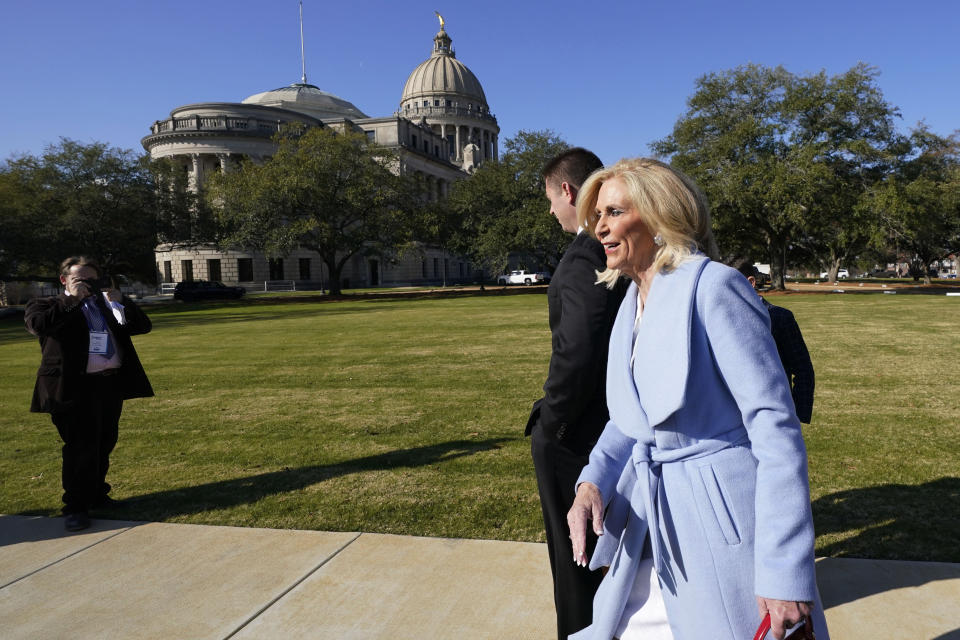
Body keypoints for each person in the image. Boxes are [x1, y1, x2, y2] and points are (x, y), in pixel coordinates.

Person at [566, 158, 829, 640]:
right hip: (652, 527)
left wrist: (783, 568)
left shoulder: (715, 288)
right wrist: (592, 483)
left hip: (723, 531)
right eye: (597, 215)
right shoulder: (631, 302)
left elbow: (775, 428)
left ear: (658, 215)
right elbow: (631, 418)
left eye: (614, 212)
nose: (599, 227)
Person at [526, 147, 626, 639]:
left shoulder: (585, 256)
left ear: (568, 190)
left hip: (578, 433)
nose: (550, 211)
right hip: (603, 425)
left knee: (574, 557)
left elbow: (578, 351)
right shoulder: (610, 253)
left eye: (550, 198)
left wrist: (554, 423)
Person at [25, 256, 154, 532]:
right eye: (79, 279)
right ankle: (75, 507)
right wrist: (72, 299)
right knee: (80, 448)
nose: (86, 284)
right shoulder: (47, 305)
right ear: (64, 280)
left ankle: (97, 495)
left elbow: (142, 326)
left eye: (91, 280)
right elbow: (39, 326)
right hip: (72, 388)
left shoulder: (105, 306)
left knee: (104, 443)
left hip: (108, 385)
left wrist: (121, 301)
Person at [736, 262, 815, 424]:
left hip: (772, 414)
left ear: (750, 282)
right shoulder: (719, 319)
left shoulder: (780, 318)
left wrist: (797, 416)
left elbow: (803, 370)